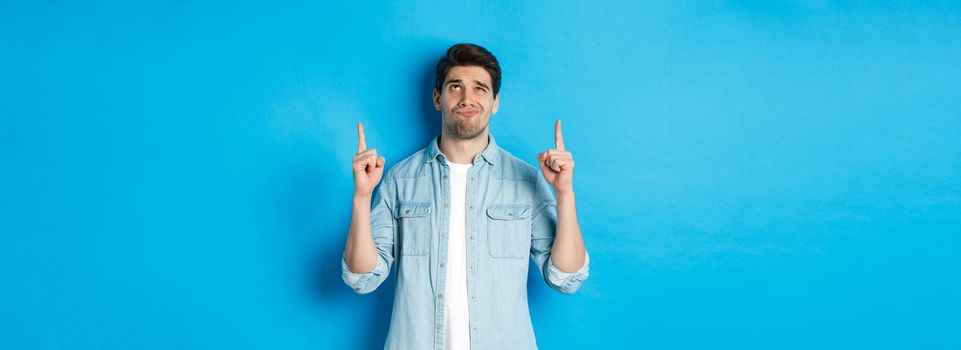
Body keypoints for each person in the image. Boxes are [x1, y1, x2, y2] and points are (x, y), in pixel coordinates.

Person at [341, 43, 590, 350]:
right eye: (455, 86)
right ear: (437, 98)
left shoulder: (525, 180)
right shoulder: (399, 179)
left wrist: (564, 194)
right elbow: (362, 278)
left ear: (495, 102)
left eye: (480, 88)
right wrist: (362, 198)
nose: (468, 98)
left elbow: (567, 278)